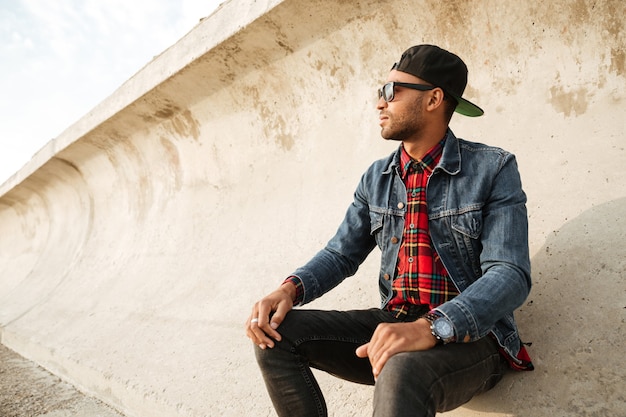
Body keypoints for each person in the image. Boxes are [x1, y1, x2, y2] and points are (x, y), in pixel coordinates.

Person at [245, 44, 533, 417]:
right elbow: (340, 254)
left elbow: (510, 274)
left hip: (471, 337)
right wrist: (289, 289)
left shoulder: (493, 168)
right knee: (275, 334)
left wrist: (431, 327)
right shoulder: (377, 178)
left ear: (433, 99)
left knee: (400, 367)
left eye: (390, 91)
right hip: (394, 323)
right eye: (379, 92)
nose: (379, 103)